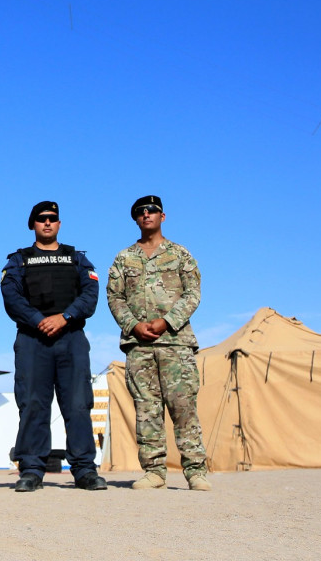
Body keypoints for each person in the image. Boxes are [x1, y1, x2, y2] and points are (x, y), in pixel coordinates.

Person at [1, 200, 108, 493]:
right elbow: (11, 297)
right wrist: (38, 320)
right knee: (33, 404)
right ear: (32, 225)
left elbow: (90, 293)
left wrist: (64, 317)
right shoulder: (19, 260)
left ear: (59, 224)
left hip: (70, 338)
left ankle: (85, 469)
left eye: (52, 218)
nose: (47, 222)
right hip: (33, 340)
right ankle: (32, 469)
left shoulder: (76, 259)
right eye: (41, 218)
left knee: (77, 404)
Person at [106, 195, 210, 491]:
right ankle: (154, 471)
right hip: (139, 346)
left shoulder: (180, 254)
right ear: (135, 219)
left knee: (183, 407)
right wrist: (133, 325)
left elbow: (193, 293)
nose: (146, 215)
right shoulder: (124, 258)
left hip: (175, 343)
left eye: (151, 211)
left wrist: (167, 321)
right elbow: (115, 297)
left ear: (162, 217)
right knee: (146, 409)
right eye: (140, 212)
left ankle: (195, 470)